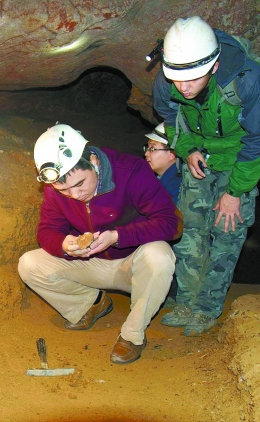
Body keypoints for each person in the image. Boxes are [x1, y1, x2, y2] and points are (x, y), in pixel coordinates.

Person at [152, 16, 260, 336]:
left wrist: (235, 192)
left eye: (192, 79)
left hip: (239, 160)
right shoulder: (168, 79)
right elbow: (169, 116)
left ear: (214, 65)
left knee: (226, 232)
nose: (183, 87)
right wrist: (187, 149)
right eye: (178, 79)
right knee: (190, 231)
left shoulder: (247, 79)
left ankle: (207, 307)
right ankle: (186, 300)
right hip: (200, 157)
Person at [18, 123, 183, 364]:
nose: (75, 195)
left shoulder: (130, 171)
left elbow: (170, 223)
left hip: (133, 263)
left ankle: (132, 335)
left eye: (79, 184)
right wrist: (64, 244)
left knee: (160, 255)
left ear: (93, 161)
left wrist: (118, 236)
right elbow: (47, 231)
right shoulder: (55, 191)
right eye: (63, 190)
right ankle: (90, 305)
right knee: (29, 263)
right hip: (90, 264)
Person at [144, 122, 183, 305]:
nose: (146, 153)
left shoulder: (178, 184)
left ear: (172, 154)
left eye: (153, 149)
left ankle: (173, 291)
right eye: (147, 148)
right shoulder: (162, 181)